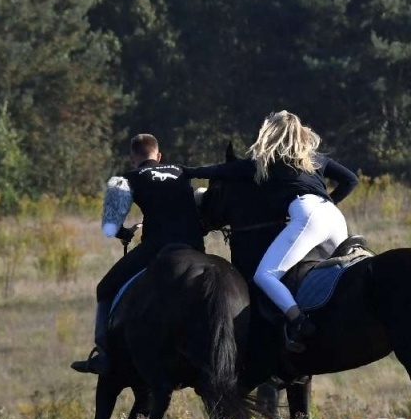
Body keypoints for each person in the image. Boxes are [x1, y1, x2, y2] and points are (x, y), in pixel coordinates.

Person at [185, 111, 358, 350]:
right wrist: (329, 200)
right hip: (335, 217)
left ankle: (299, 322)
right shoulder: (316, 158)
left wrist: (188, 172)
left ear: (272, 133)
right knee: (340, 275)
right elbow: (351, 180)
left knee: (264, 276)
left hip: (308, 214)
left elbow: (220, 172)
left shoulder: (269, 161)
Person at [70, 133, 206, 375]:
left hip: (158, 248)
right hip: (196, 247)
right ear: (159, 155)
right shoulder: (182, 171)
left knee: (104, 287)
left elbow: (110, 227)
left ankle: (103, 354)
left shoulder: (127, 179)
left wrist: (125, 233)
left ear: (133, 158)